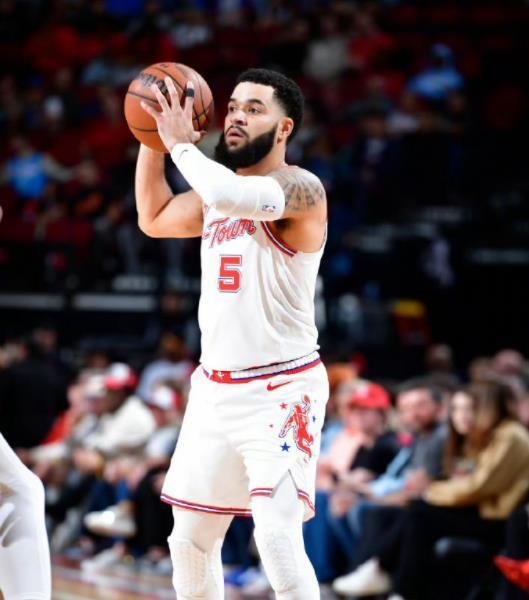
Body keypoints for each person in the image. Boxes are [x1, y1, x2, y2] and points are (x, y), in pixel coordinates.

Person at [136, 68, 328, 599]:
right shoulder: (215, 195)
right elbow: (153, 216)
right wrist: (152, 138)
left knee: (276, 537)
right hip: (215, 389)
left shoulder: (302, 189)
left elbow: (227, 191)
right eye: (234, 107)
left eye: (254, 109)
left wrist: (179, 144)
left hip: (282, 387)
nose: (237, 117)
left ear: (285, 128)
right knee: (189, 542)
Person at [335, 378, 529, 600]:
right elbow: (462, 481)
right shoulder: (483, 436)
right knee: (412, 513)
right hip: (484, 510)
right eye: (457, 409)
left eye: (470, 408)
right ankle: (387, 579)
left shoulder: (509, 435)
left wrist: (432, 491)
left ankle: (386, 577)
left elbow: (478, 486)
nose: (462, 415)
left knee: (418, 512)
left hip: (498, 518)